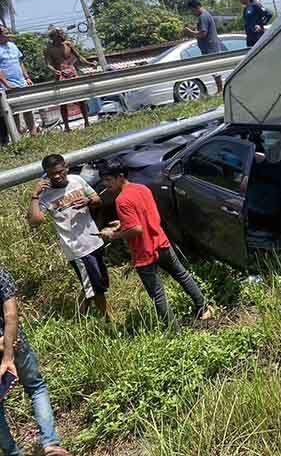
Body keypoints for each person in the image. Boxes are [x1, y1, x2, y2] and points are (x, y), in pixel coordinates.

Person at [98, 161, 212, 328]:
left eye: (108, 180)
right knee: (182, 275)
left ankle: (174, 331)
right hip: (161, 242)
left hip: (144, 253)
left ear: (120, 177)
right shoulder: (142, 188)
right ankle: (204, 308)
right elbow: (146, 216)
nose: (105, 184)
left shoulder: (121, 200)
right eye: (104, 180)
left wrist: (113, 235)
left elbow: (136, 229)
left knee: (158, 295)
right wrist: (123, 223)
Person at [27, 154, 109, 319]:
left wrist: (88, 201)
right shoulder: (46, 195)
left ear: (66, 167)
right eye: (52, 174)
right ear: (46, 174)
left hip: (94, 240)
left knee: (99, 283)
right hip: (77, 248)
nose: (57, 176)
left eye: (60, 171)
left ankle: (81, 313)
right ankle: (106, 320)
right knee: (96, 287)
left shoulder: (77, 180)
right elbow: (35, 221)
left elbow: (97, 200)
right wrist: (35, 195)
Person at [0, 268, 70, 455]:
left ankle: (13, 453)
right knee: (36, 388)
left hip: (8, 345)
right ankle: (51, 443)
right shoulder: (1, 273)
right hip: (16, 344)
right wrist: (8, 354)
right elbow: (11, 315)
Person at [43, 28, 93, 132]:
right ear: (55, 36)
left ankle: (87, 122)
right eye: (61, 33)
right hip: (60, 75)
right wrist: (54, 71)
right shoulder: (49, 49)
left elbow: (79, 57)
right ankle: (66, 127)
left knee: (81, 99)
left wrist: (90, 63)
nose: (64, 35)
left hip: (72, 73)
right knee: (63, 102)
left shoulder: (68, 44)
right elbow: (48, 64)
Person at [0, 26, 38, 137]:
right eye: (6, 33)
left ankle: (34, 134)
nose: (8, 35)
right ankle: (18, 137)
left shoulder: (13, 45)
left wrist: (27, 78)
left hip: (21, 82)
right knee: (14, 112)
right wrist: (7, 84)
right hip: (7, 85)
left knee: (28, 109)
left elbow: (20, 62)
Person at [183, 0, 224, 92]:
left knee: (215, 69)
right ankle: (220, 90)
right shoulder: (206, 15)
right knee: (214, 70)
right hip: (209, 47)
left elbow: (203, 33)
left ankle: (220, 90)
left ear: (196, 7)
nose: (192, 13)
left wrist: (190, 32)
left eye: (192, 10)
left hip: (210, 47)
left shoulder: (203, 17)